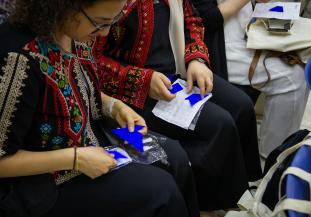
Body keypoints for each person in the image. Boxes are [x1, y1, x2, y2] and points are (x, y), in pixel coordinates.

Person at [0, 1, 200, 217]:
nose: (104, 34)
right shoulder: (18, 58)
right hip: (45, 179)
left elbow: (72, 85)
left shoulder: (75, 34)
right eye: (100, 23)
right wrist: (76, 158)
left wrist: (112, 106)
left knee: (175, 159)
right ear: (64, 7)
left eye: (111, 22)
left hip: (92, 140)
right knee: (161, 192)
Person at [93, 0, 263, 213]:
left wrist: (197, 60)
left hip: (179, 71)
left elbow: (192, 20)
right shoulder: (107, 8)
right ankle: (212, 203)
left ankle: (243, 190)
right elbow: (93, 62)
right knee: (219, 124)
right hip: (135, 92)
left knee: (241, 107)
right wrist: (143, 79)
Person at [223, 3, 309, 158]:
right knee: (292, 79)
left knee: (303, 66)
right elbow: (206, 16)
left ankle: (278, 149)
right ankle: (273, 156)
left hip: (246, 31)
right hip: (218, 46)